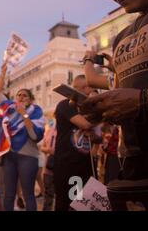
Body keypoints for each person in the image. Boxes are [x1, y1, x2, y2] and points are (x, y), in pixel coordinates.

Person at [83, 0, 148, 193]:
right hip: (133, 168)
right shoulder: (121, 38)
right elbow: (126, 94)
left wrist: (143, 100)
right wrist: (104, 110)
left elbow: (138, 98)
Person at [53, 75, 97, 211]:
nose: (90, 91)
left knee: (84, 205)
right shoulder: (65, 104)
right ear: (79, 88)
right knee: (66, 203)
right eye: (89, 88)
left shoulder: (87, 109)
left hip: (85, 164)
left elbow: (98, 136)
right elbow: (86, 124)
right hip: (68, 164)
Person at [0, 89, 45, 211]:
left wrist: (24, 114)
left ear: (30, 99)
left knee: (28, 194)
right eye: (19, 95)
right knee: (9, 194)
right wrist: (3, 73)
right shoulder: (10, 110)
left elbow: (35, 135)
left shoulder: (36, 111)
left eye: (25, 95)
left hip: (28, 157)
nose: (21, 97)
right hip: (10, 156)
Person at [40, 120, 57, 211]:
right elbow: (42, 147)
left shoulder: (66, 132)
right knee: (48, 194)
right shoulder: (49, 131)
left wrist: (55, 151)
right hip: (48, 168)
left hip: (61, 167)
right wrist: (48, 150)